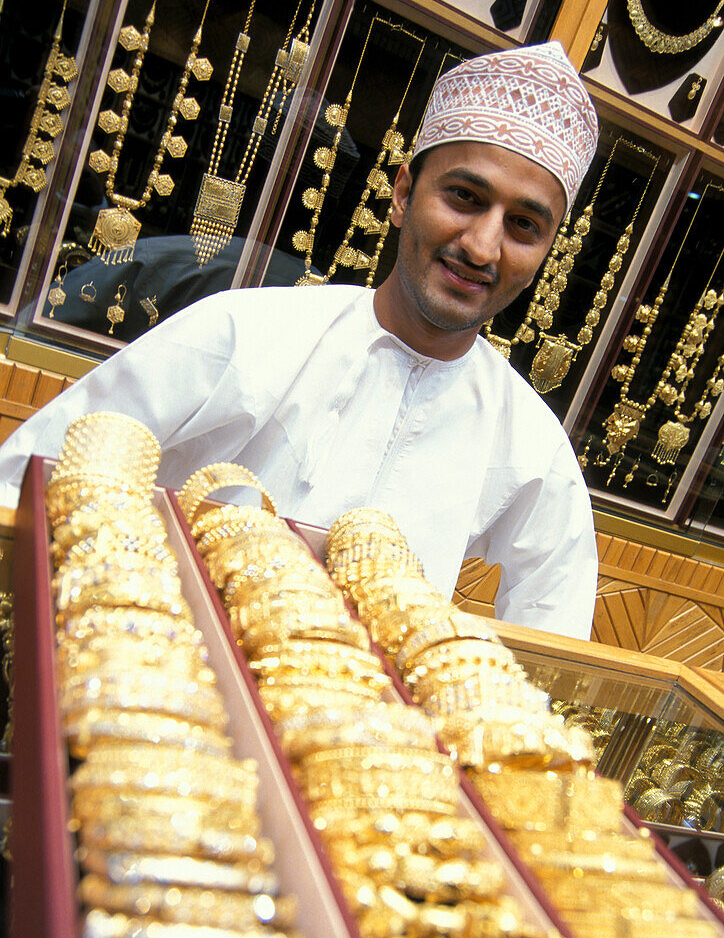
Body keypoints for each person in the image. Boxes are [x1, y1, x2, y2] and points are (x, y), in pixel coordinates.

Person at [0, 42, 599, 638]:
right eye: (464, 197)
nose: (482, 246)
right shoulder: (242, 333)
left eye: (524, 225)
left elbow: (556, 646)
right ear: (402, 193)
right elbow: (24, 481)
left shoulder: (532, 444)